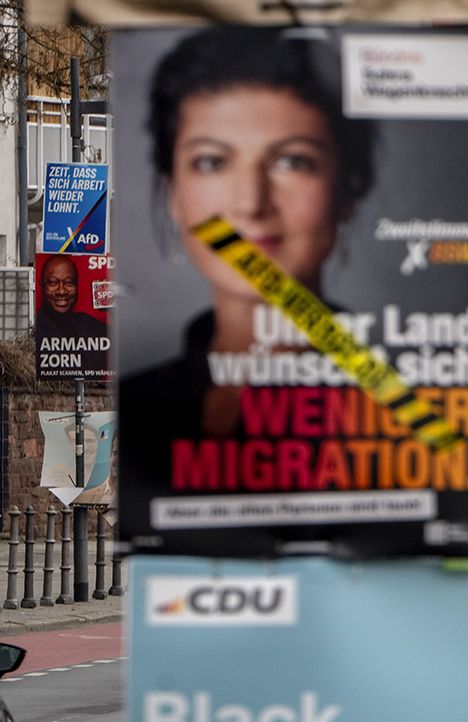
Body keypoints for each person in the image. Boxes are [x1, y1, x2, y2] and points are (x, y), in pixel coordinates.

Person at [121, 27, 378, 473]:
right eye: (212, 162)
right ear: (173, 195)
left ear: (348, 190)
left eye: (292, 160)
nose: (251, 203)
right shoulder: (128, 410)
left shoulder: (410, 408)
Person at [35, 253, 110, 376]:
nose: (61, 291)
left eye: (69, 282)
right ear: (42, 286)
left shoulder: (88, 325)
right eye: (53, 282)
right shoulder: (34, 331)